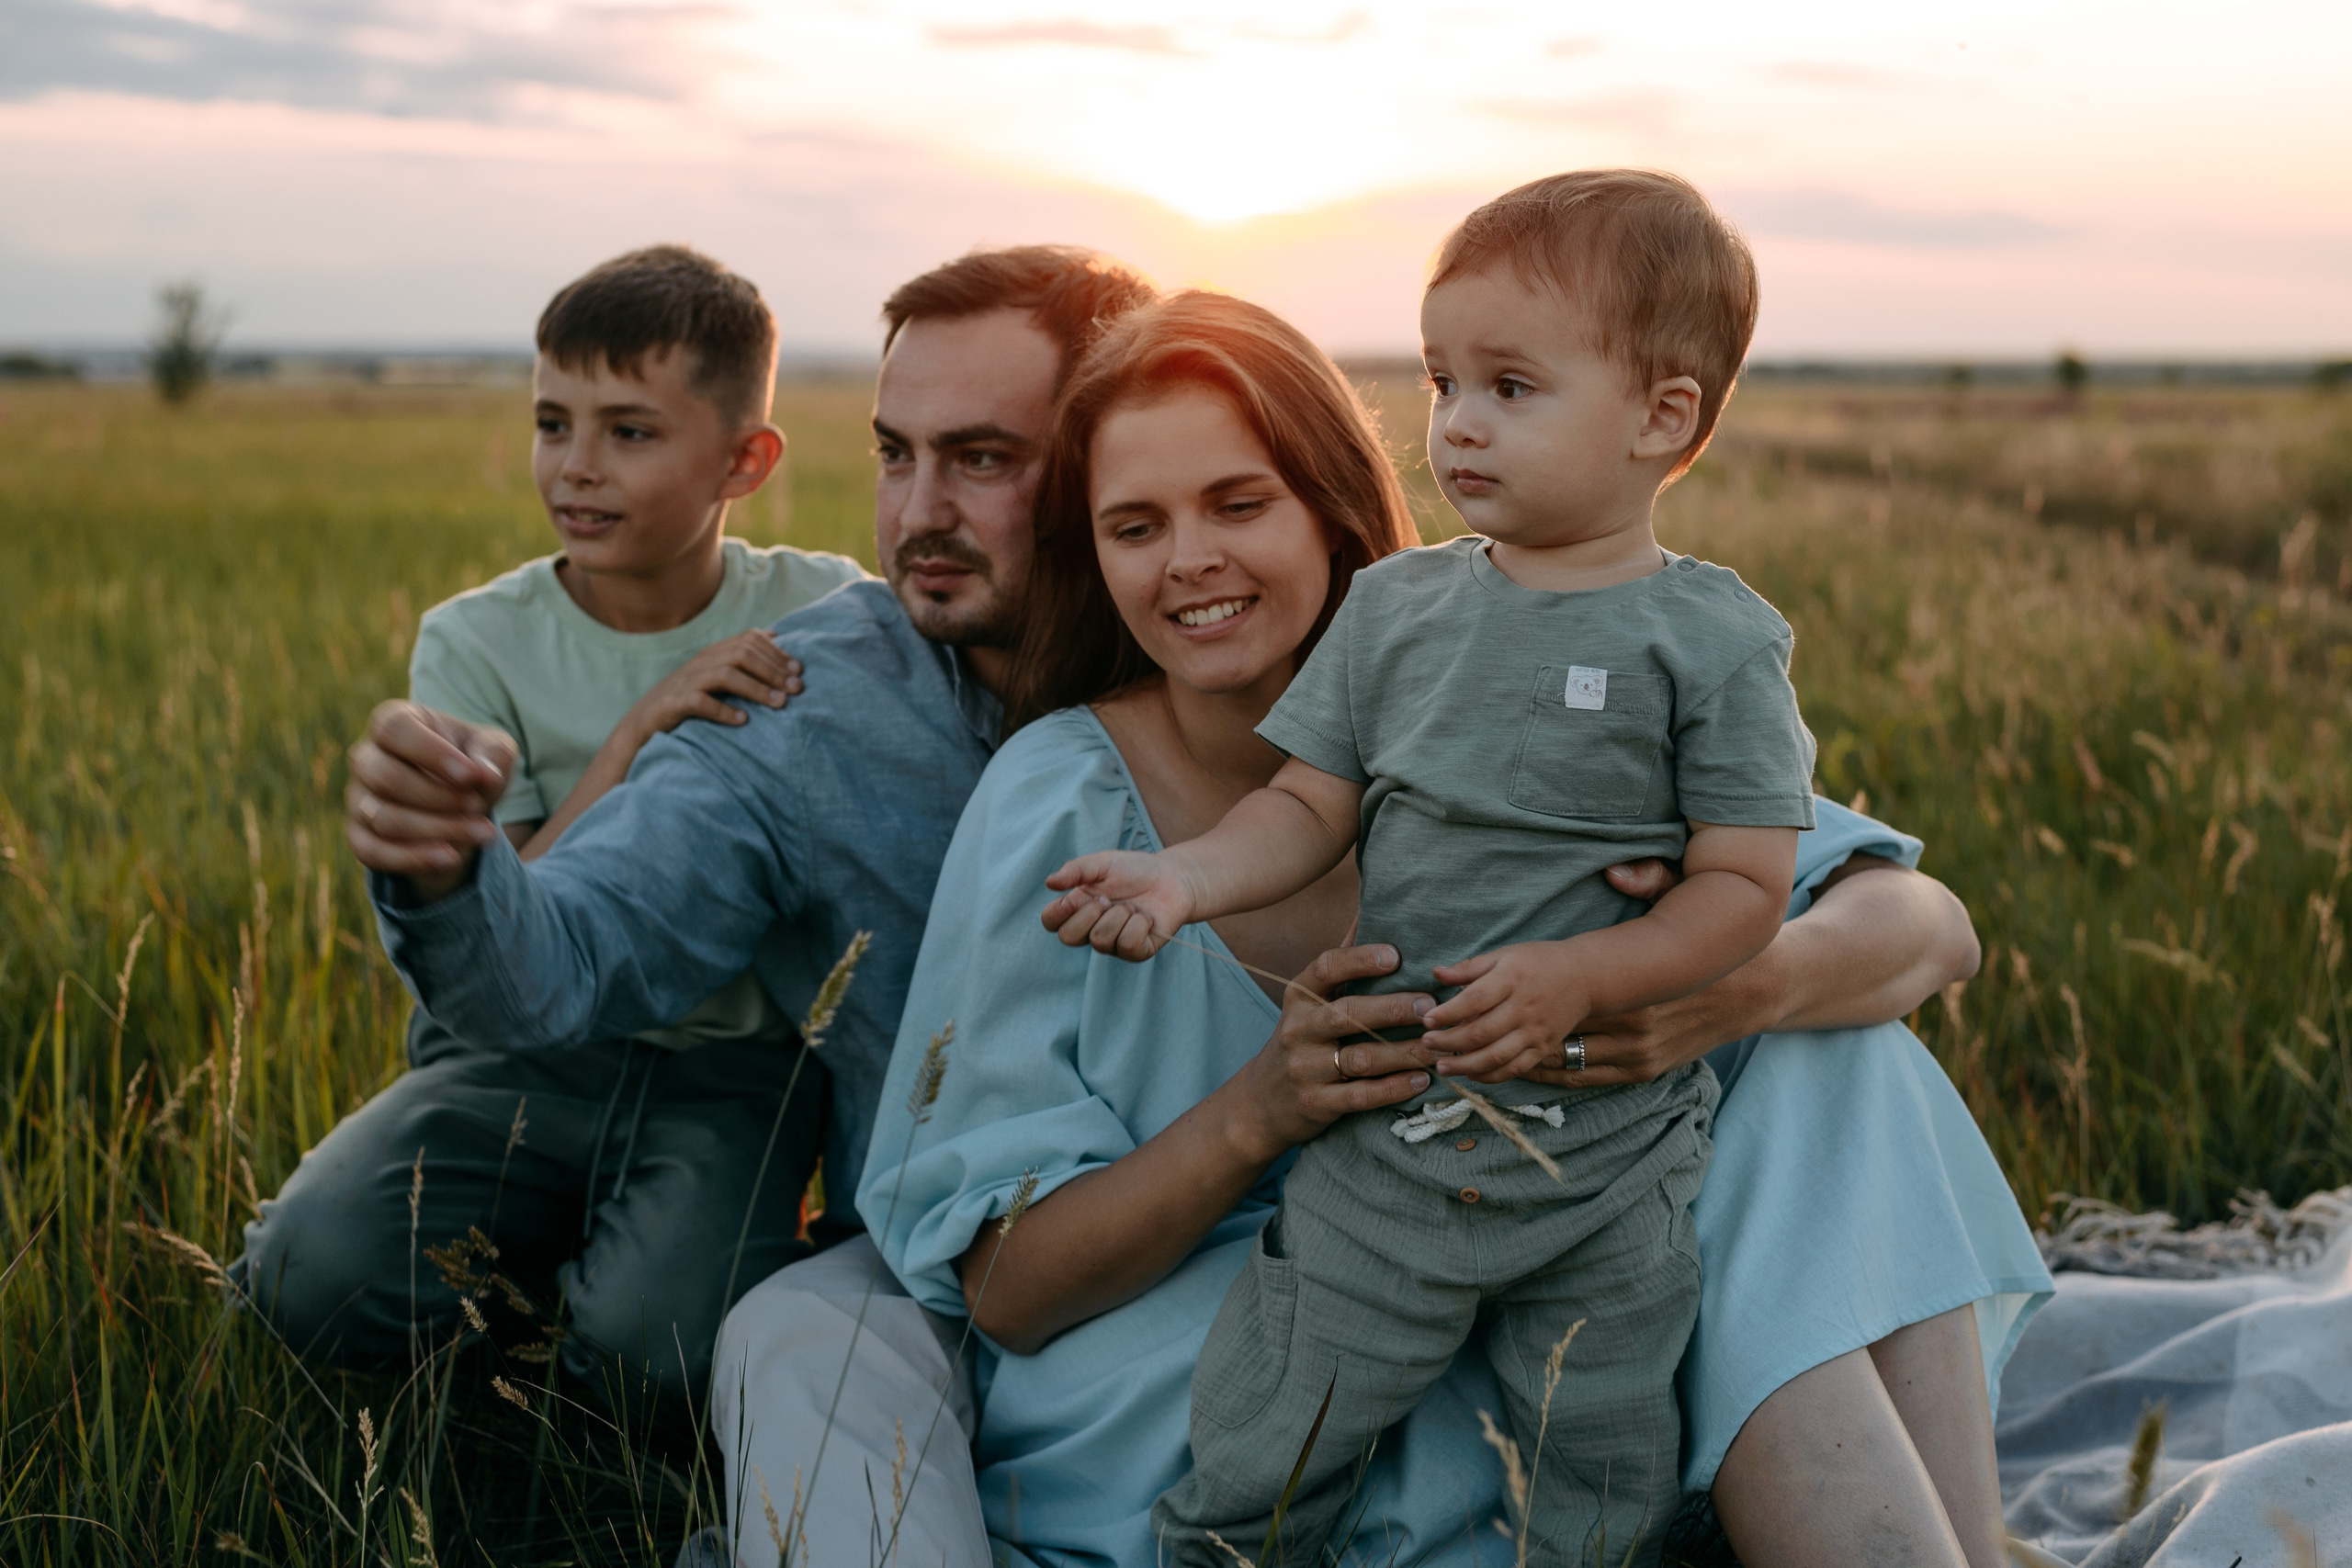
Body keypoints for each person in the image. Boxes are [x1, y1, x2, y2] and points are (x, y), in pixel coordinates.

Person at [852, 281, 2049, 1568]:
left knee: (1835, 1047)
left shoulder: (1495, 683)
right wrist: (1261, 1109)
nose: (1188, 557)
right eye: (1136, 524)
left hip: (1518, 1305)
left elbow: (1925, 925)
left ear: (1332, 510)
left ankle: (1953, 1545)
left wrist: (1727, 991)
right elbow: (1008, 1289)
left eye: (1239, 503)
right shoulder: (1061, 798)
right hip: (1224, 1372)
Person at [1038, 174, 1813, 1563]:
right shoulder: (1396, 609)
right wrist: (1184, 882)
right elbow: (1305, 804)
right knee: (1279, 1422)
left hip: (1607, 1164)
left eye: (1513, 384)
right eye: (1445, 377)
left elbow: (1745, 888)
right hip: (1388, 1142)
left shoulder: (1712, 641)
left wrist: (1585, 970)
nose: (1458, 420)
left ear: (1663, 417)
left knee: (1597, 1454)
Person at [232, 245, 865, 1404]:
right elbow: (511, 933)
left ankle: (597, 1320)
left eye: (628, 432)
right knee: (302, 1282)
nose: (574, 468)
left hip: (732, 1070)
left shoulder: (822, 608)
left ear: (745, 459)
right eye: (551, 422)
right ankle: (531, 1290)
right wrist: (636, 735)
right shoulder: (478, 640)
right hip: (516, 1063)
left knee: (655, 1363)